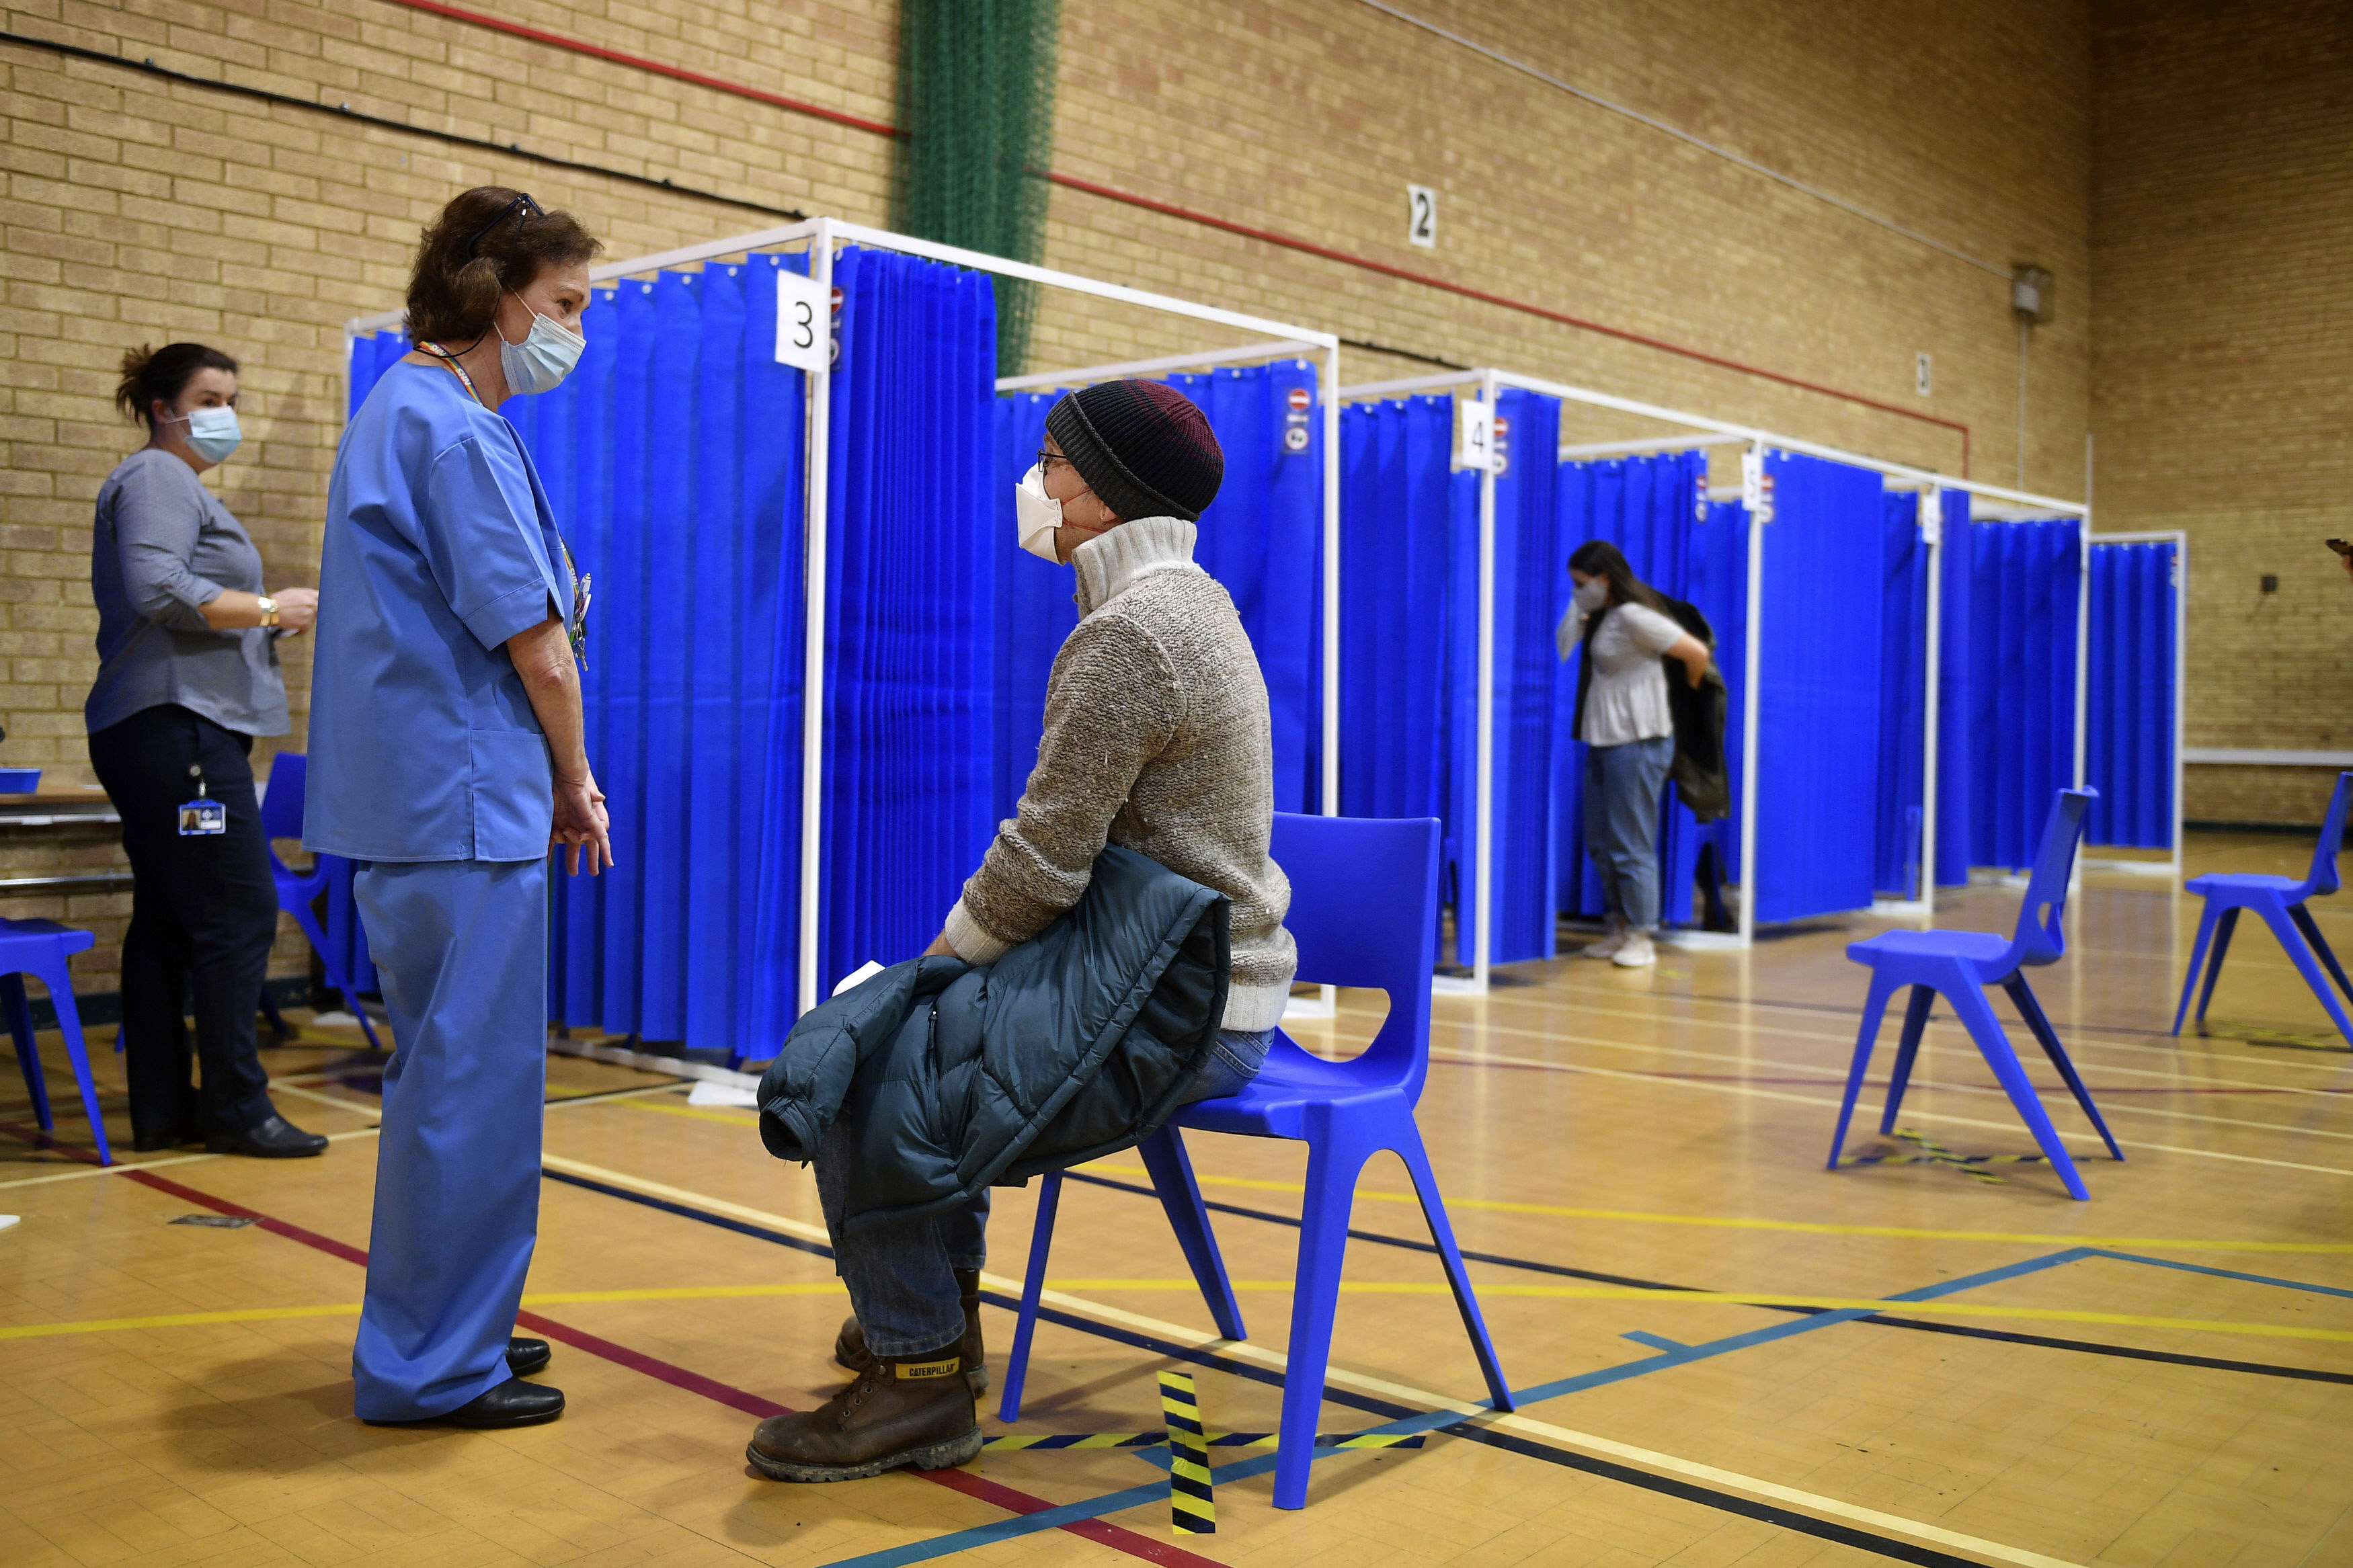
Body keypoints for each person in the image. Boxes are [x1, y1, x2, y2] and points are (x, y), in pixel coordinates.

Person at [748, 379, 1298, 1483]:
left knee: (862, 1055)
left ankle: (917, 1380)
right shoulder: (1186, 605)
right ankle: (929, 1321)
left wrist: (930, 966)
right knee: (909, 1032)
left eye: (1052, 461)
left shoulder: (1133, 635)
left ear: (1106, 495)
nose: (1035, 484)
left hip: (1181, 1002)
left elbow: (1042, 864)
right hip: (1177, 973)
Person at [306, 187, 612, 1431]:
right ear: (495, 299)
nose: (576, 334)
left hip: (420, 805)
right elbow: (538, 647)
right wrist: (576, 783)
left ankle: (455, 1326)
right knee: (468, 1089)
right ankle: (435, 1364)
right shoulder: (454, 432)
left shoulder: (406, 409)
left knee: (445, 1079)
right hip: (465, 804)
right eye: (567, 306)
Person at [87, 342, 327, 1158]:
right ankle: (237, 1108)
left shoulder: (176, 485)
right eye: (209, 396)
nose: (225, 411)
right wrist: (267, 605)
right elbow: (158, 587)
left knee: (168, 918)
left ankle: (164, 1109)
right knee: (237, 910)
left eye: (232, 396)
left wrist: (265, 619)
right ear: (164, 407)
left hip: (164, 722)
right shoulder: (157, 476)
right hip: (177, 726)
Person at [1558, 540, 1711, 969]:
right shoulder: (1603, 616)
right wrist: (1580, 607)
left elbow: (1696, 654)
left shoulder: (1633, 616)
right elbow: (1563, 645)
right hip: (1603, 739)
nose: (1576, 589)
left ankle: (1642, 934)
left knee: (1631, 843)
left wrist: (1688, 700)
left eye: (1581, 583)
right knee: (1602, 841)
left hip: (1638, 741)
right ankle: (1619, 926)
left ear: (1605, 579)